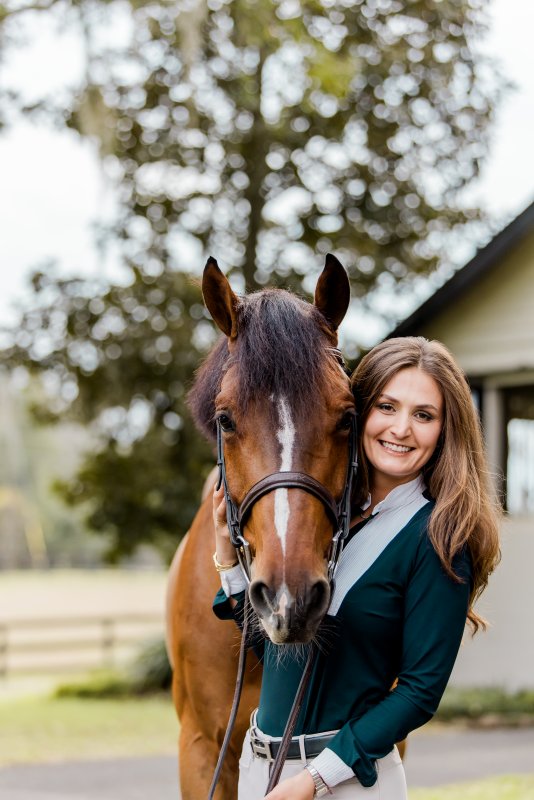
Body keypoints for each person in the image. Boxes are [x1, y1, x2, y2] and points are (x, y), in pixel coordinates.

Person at [212, 336, 501, 799]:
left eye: (423, 415)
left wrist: (312, 780)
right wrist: (229, 559)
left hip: (344, 785)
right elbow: (279, 653)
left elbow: (419, 692)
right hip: (260, 771)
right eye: (387, 406)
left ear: (445, 430)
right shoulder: (328, 525)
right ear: (360, 413)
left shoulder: (441, 536)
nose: (401, 428)